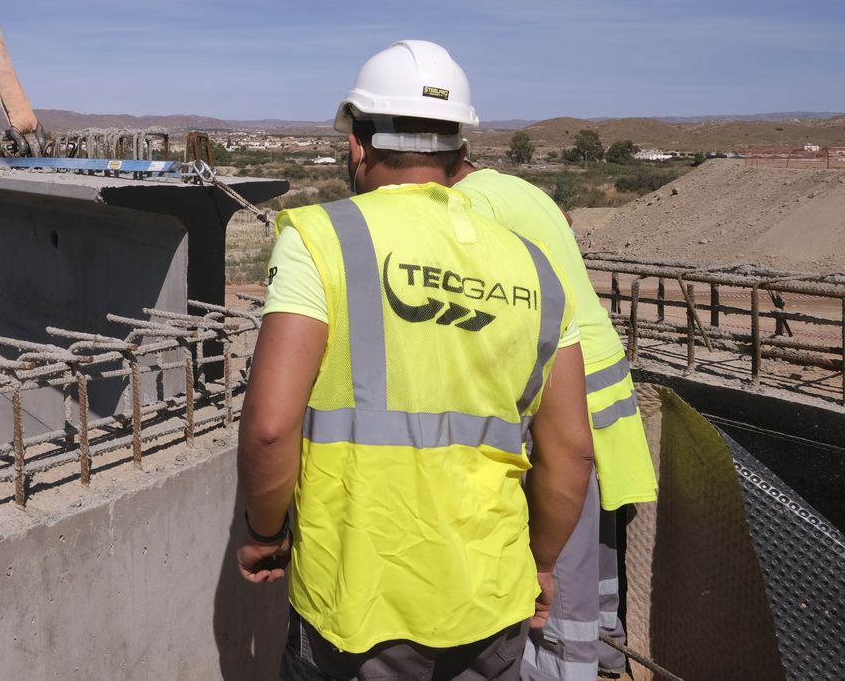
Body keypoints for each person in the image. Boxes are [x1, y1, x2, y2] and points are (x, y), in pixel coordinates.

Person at [235, 40, 595, 681]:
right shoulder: (535, 266)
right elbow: (571, 451)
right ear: (461, 154)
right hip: (489, 598)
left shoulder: (320, 239)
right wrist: (536, 565)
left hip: (358, 601)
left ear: (357, 145)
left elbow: (269, 426)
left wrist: (266, 533)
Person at [448, 157, 657, 681]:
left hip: (562, 372)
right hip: (596, 362)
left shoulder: (472, 204)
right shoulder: (514, 187)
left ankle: (563, 669)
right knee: (594, 536)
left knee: (558, 538)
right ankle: (606, 652)